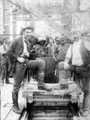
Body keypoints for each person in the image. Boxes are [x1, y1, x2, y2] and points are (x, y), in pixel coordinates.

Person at [6, 26, 52, 114]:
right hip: (18, 63)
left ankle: (41, 84)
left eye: (30, 32)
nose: (29, 34)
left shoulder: (27, 41)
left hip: (26, 61)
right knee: (16, 86)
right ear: (23, 32)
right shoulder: (17, 40)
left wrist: (30, 54)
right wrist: (18, 58)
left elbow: (25, 52)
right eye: (27, 32)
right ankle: (15, 105)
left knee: (41, 62)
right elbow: (8, 52)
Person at [64, 34, 90, 117]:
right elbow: (68, 57)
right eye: (73, 34)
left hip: (85, 69)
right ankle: (76, 105)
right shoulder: (71, 46)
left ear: (80, 35)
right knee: (76, 88)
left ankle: (86, 109)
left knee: (87, 90)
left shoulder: (86, 43)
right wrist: (65, 62)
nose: (75, 36)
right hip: (75, 69)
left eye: (77, 34)